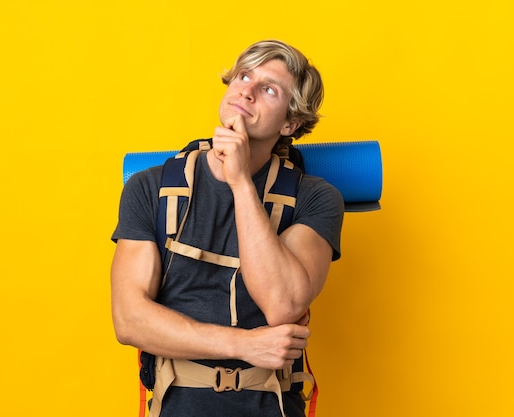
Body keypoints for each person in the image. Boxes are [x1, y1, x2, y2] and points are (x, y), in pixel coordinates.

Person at [110, 40, 344, 417]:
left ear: (290, 122)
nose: (246, 91)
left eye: (268, 89)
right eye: (243, 76)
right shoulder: (149, 187)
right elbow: (129, 319)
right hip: (176, 405)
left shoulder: (315, 199)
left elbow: (282, 304)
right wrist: (243, 345)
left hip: (273, 406)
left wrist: (239, 183)